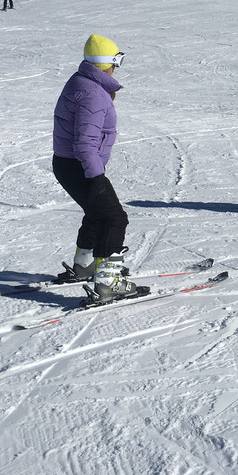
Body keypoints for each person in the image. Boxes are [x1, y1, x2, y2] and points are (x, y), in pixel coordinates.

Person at [51, 34, 146, 305]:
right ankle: (108, 281)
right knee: (114, 218)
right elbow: (85, 141)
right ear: (107, 63)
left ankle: (85, 265)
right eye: (116, 61)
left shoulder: (81, 81)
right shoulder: (93, 93)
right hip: (80, 165)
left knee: (97, 212)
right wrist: (95, 177)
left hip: (69, 163)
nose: (117, 67)